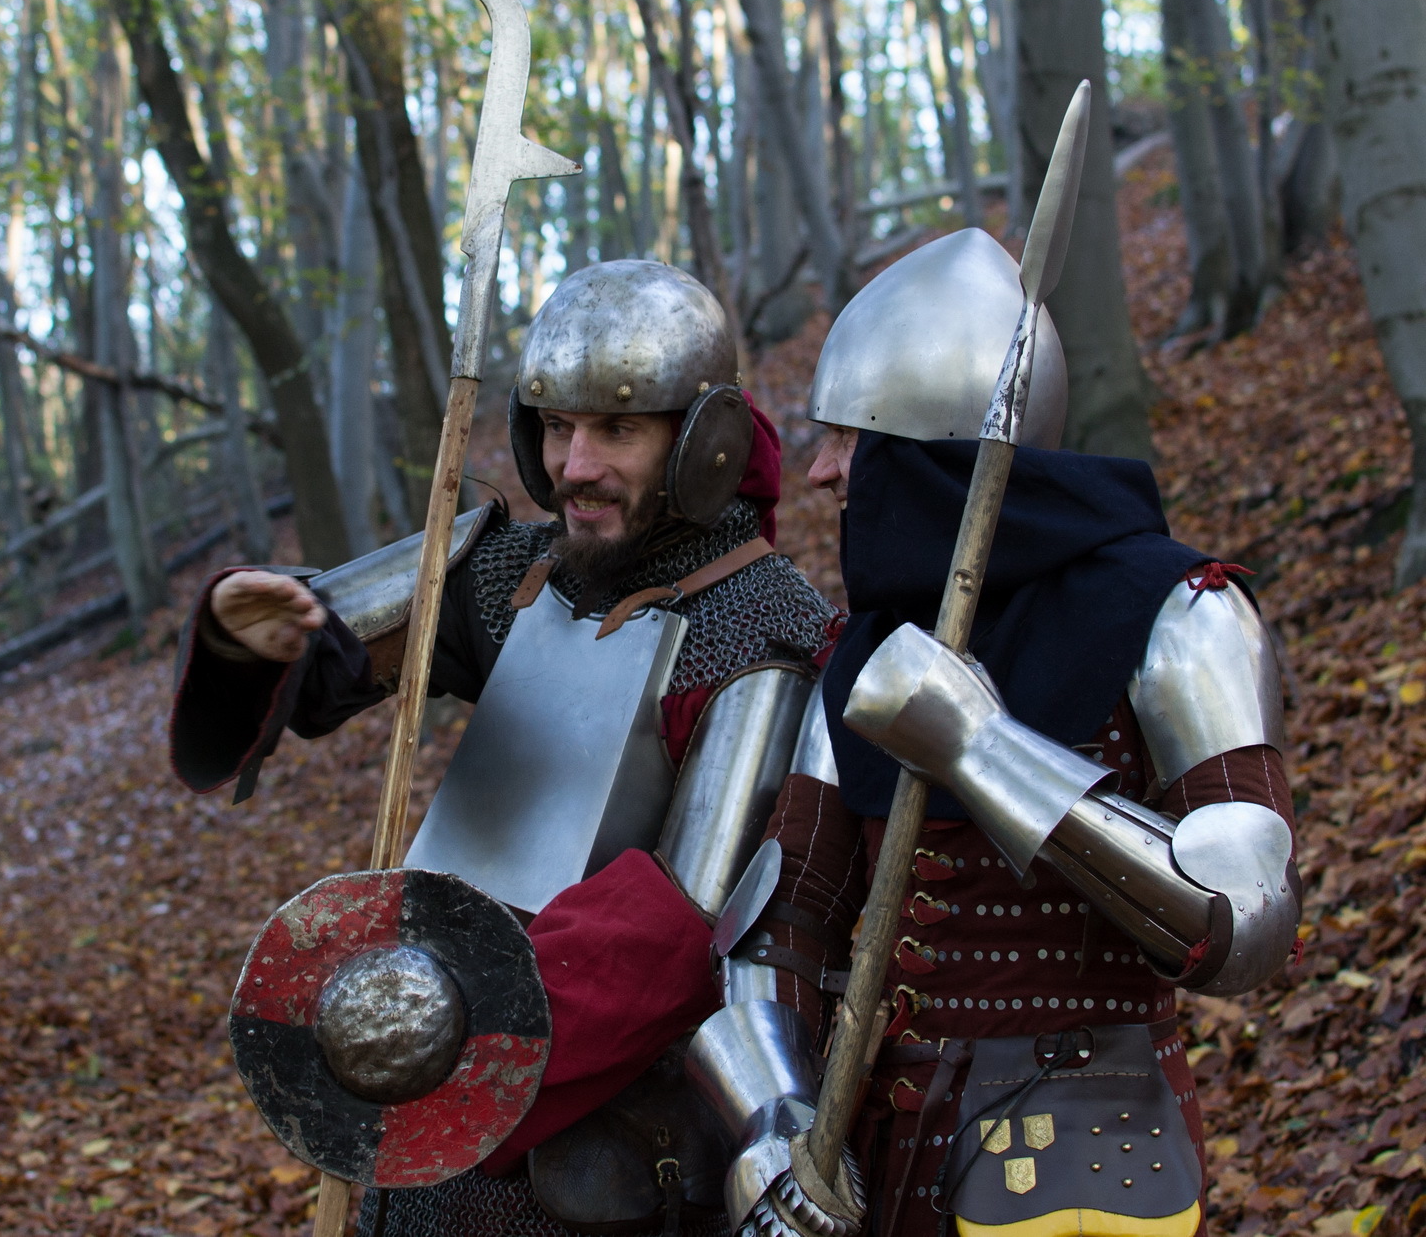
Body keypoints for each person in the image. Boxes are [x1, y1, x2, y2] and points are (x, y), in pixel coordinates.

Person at [171, 259, 839, 1235]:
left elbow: (684, 925)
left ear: (703, 440)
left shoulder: (763, 626)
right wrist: (251, 636)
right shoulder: (515, 574)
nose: (575, 466)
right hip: (428, 1117)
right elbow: (327, 647)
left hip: (601, 1163)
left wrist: (437, 1024)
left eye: (617, 428)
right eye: (558, 427)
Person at [686, 229, 1299, 1237]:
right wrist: (776, 1128)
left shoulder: (1180, 614)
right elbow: (777, 932)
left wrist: (980, 746)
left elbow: (1246, 920)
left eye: (848, 436)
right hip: (883, 1156)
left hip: (1088, 1150)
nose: (823, 472)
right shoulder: (868, 651)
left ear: (930, 449)